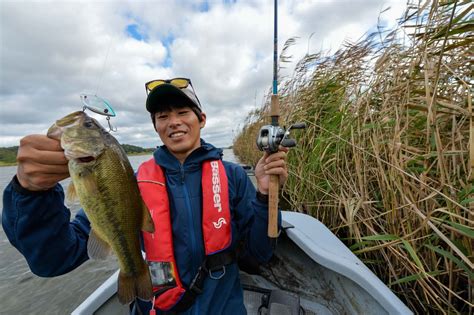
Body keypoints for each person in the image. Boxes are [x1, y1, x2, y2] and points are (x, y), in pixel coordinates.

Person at [2, 77, 288, 314]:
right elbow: (53, 259)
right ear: (155, 127)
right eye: (163, 116)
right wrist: (31, 193)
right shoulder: (131, 182)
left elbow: (259, 253)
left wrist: (264, 194)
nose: (173, 122)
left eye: (182, 112)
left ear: (201, 119)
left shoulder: (233, 175)